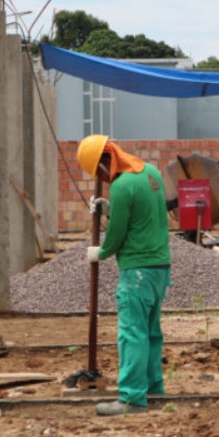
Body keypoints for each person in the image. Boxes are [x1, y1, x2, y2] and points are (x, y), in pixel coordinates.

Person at [76, 134, 171, 416]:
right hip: (160, 269)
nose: (102, 180)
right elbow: (142, 214)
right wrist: (109, 208)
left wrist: (100, 252)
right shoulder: (151, 172)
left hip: (136, 272)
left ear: (104, 165)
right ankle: (153, 385)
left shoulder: (121, 185)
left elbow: (116, 235)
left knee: (132, 333)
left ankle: (131, 397)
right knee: (151, 332)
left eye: (98, 173)